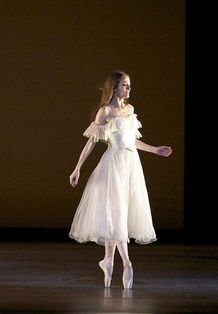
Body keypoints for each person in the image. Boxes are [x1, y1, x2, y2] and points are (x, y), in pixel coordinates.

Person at [69, 71, 172, 289]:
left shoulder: (130, 110)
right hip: (113, 165)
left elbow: (133, 141)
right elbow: (91, 143)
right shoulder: (105, 112)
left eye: (129, 85)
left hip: (131, 165)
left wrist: (156, 150)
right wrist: (77, 168)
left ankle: (108, 261)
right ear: (114, 88)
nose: (128, 89)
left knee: (119, 214)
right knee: (115, 212)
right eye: (125, 85)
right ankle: (126, 263)